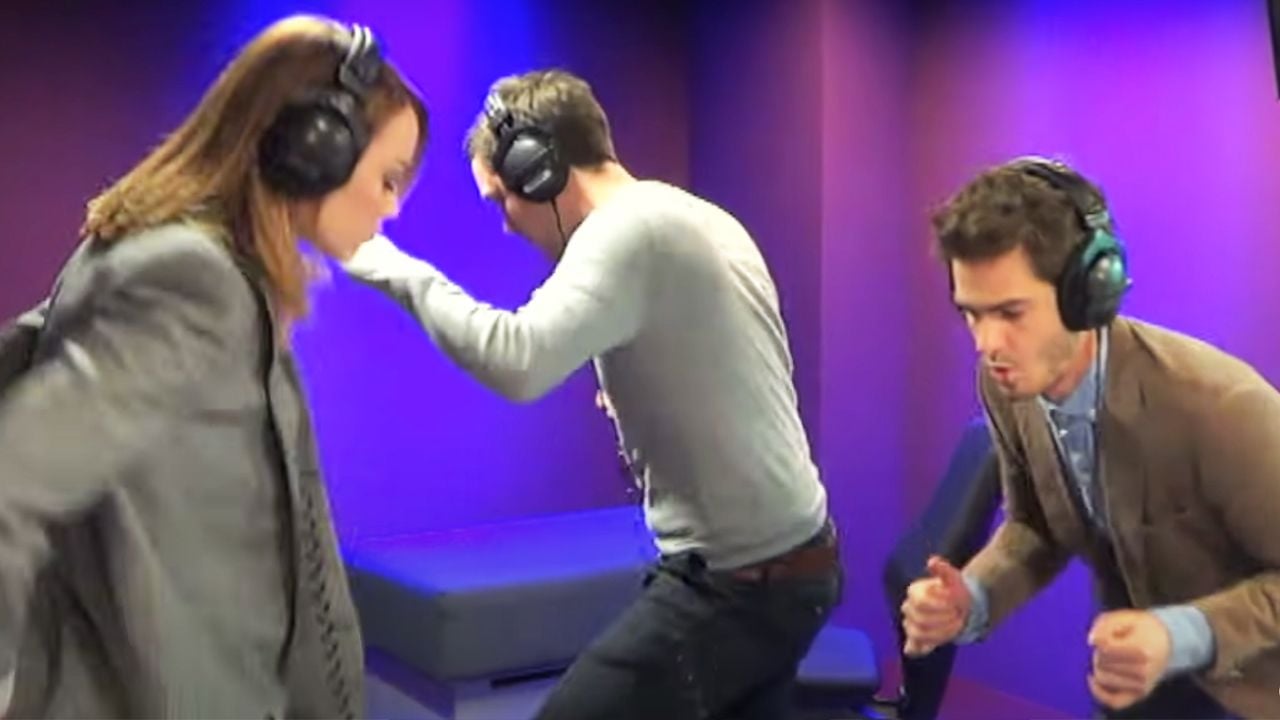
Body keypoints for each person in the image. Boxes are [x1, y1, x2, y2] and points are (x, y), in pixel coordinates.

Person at [341, 69, 840, 720]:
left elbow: (517, 361)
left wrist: (380, 261)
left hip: (741, 585)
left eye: (502, 199)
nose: (505, 224)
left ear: (540, 171)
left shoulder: (626, 230)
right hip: (792, 567)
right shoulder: (688, 216)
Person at [0, 14, 427, 717]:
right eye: (388, 178)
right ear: (312, 147)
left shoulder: (163, 259)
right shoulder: (193, 283)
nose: (391, 207)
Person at [900, 156, 1280, 718]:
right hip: (1139, 672)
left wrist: (1178, 635)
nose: (987, 344)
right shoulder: (1006, 384)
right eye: (972, 314)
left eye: (1011, 313)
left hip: (1255, 689)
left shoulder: (1218, 405)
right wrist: (971, 599)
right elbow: (1035, 526)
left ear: (1087, 293)